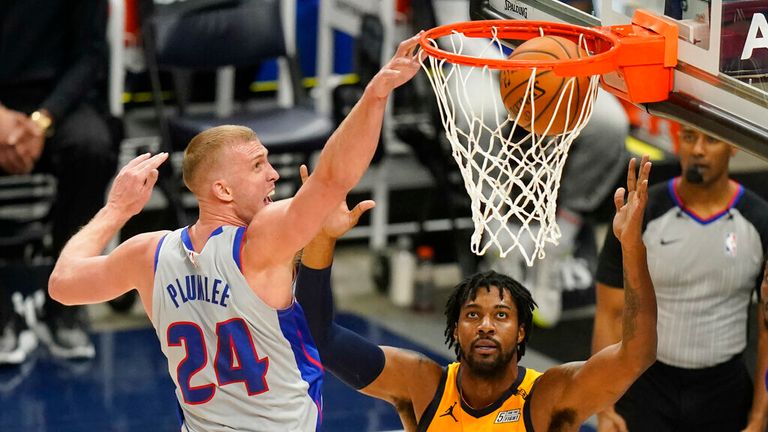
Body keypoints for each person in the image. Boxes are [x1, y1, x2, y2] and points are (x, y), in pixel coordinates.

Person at [46, 34, 421, 431]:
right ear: (222, 190)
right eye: (259, 166)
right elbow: (331, 178)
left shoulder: (148, 254)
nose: (274, 174)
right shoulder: (259, 242)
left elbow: (62, 284)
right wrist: (375, 96)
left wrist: (115, 210)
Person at [295, 156, 656, 430]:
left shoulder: (548, 396)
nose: (485, 325)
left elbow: (637, 354)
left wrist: (631, 248)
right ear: (454, 330)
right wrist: (320, 238)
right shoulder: (422, 385)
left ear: (521, 333)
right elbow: (319, 339)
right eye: (472, 315)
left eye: (501, 315)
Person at [592, 126, 768, 431]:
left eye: (711, 138)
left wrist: (758, 418)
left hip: (723, 391)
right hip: (646, 383)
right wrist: (604, 406)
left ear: (733, 145)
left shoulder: (760, 220)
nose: (698, 149)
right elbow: (610, 312)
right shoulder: (642, 212)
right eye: (689, 137)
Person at [0, 0, 117, 362]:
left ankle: (63, 299)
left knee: (92, 148)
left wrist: (42, 121)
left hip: (59, 100)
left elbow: (91, 53)